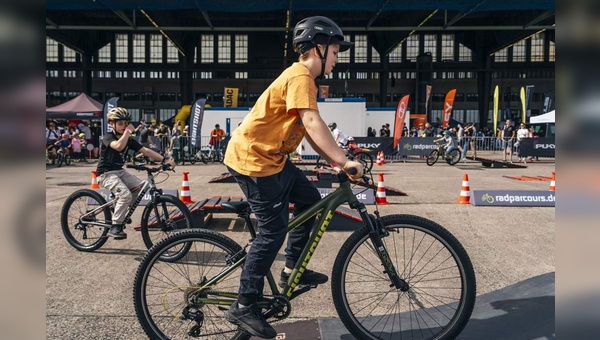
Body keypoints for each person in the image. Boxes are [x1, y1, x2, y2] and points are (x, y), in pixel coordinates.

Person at [223, 16, 362, 339]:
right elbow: (312, 122)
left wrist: (336, 160)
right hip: (253, 160)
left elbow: (312, 131)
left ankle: (290, 272)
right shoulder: (301, 76)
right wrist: (343, 162)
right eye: (336, 51)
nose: (337, 58)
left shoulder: (304, 80)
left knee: (310, 201)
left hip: (272, 159)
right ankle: (244, 304)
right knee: (272, 231)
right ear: (318, 47)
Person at [96, 107, 176, 239]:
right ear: (111, 124)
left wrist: (165, 160)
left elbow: (146, 150)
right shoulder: (107, 137)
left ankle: (118, 211)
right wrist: (128, 132)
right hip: (106, 174)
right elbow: (119, 146)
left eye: (126, 123)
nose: (124, 126)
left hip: (120, 172)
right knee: (125, 194)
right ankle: (116, 226)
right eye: (120, 123)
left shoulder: (129, 139)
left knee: (140, 188)